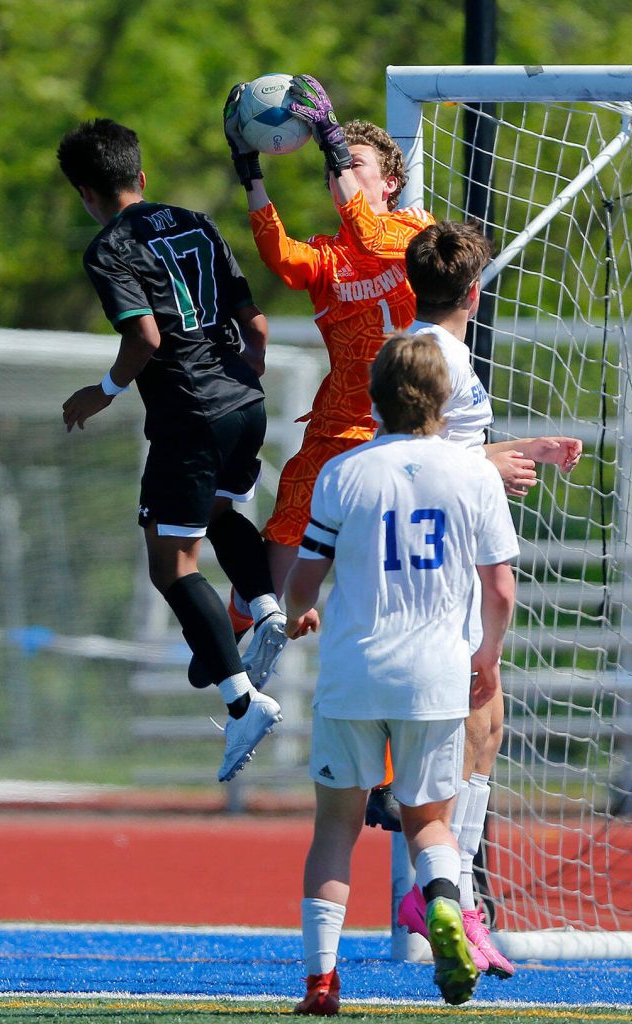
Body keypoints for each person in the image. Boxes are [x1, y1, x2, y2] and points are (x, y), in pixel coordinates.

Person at [283, 332, 519, 1013]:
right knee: (428, 824)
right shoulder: (473, 472)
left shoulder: (344, 472)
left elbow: (305, 578)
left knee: (335, 828)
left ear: (372, 399)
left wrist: (301, 613)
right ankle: (445, 902)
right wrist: (486, 655)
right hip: (436, 675)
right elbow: (499, 589)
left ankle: (322, 982)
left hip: (355, 672)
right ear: (445, 399)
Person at [57, 117, 282, 784]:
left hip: (190, 415)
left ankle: (242, 702)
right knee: (216, 514)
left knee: (171, 564)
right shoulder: (195, 221)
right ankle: (264, 608)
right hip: (244, 401)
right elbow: (256, 325)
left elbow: (147, 340)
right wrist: (247, 371)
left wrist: (101, 391)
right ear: (141, 177)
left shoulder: (108, 249)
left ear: (83, 191)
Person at [394, 220, 583, 976]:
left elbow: (442, 449)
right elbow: (417, 455)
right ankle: (446, 893)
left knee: (487, 720)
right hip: (451, 556)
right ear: (474, 291)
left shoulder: (439, 350)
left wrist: (515, 453)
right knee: (468, 715)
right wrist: (492, 464)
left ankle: (458, 893)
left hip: (458, 543)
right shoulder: (431, 353)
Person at [221, 74, 435, 692]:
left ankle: (391, 768)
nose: (339, 169)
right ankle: (247, 622)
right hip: (338, 421)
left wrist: (332, 140)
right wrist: (250, 173)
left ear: (388, 181)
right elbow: (282, 258)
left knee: (382, 581)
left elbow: (368, 231)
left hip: (403, 429)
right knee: (287, 512)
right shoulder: (329, 257)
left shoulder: (412, 234)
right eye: (339, 164)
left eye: (354, 162)